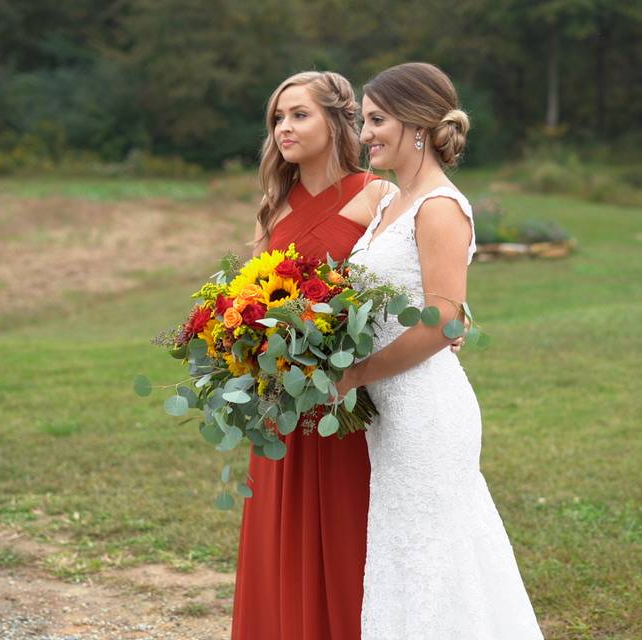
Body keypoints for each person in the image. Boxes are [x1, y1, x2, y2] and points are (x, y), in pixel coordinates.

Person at [338, 62, 545, 638]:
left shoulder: (439, 206)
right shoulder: (388, 204)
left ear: (418, 124)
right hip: (392, 410)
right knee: (405, 552)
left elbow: (442, 318)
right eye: (363, 121)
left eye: (376, 120)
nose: (365, 135)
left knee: (434, 555)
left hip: (426, 409)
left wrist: (356, 373)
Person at [231, 70, 394, 640]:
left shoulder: (376, 196)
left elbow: (405, 286)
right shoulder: (272, 209)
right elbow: (246, 299)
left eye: (299, 114)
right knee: (281, 535)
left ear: (337, 119)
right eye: (278, 117)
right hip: (282, 398)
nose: (284, 128)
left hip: (346, 397)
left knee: (346, 530)